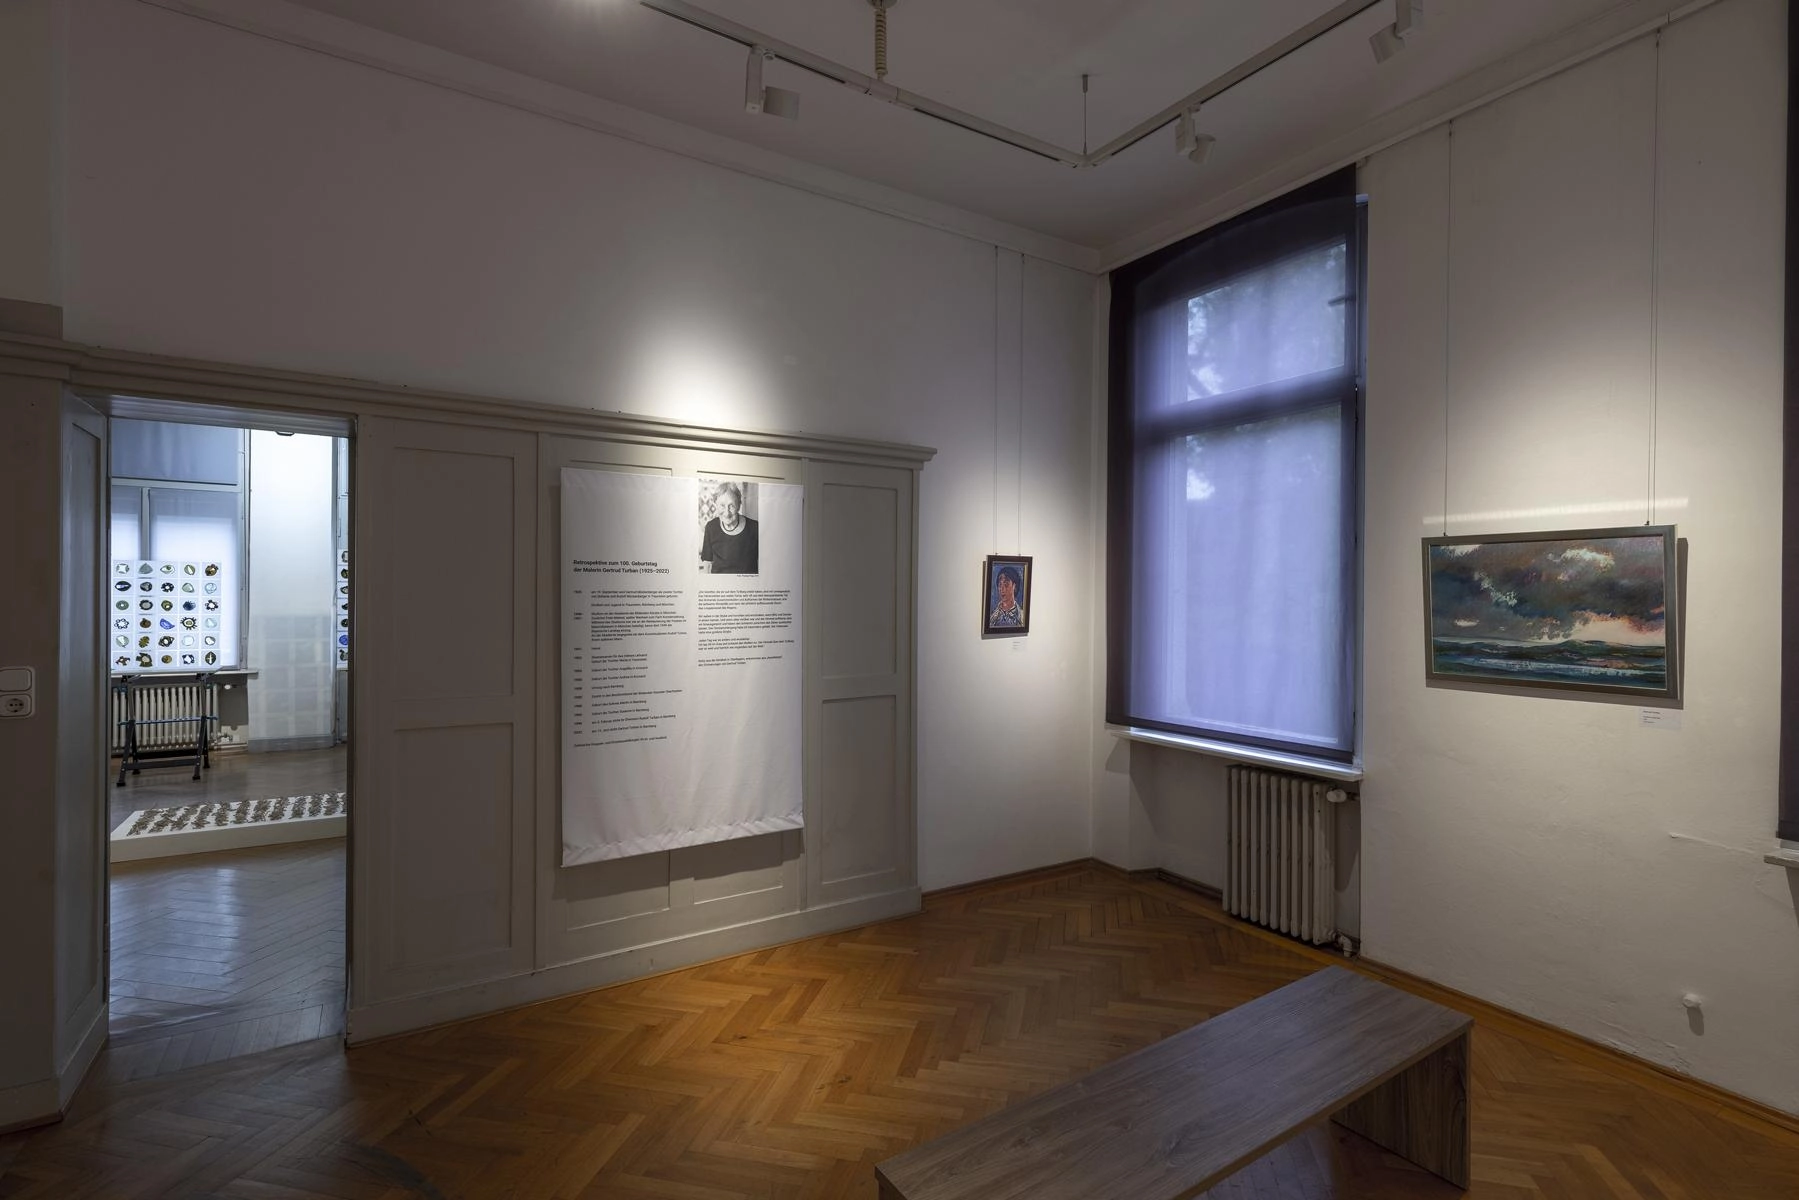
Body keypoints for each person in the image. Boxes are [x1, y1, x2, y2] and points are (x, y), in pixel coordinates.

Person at [699, 481, 759, 574]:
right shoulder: (711, 527)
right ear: (715, 505)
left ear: (739, 505)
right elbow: (707, 564)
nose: (727, 513)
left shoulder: (755, 528)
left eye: (731, 506)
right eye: (722, 506)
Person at [988, 564, 1025, 628]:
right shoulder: (992, 617)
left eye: (1006, 584)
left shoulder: (1022, 616)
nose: (1002, 589)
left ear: (1014, 586)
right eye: (1000, 585)